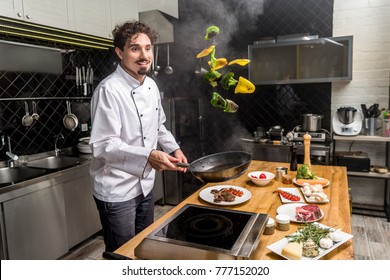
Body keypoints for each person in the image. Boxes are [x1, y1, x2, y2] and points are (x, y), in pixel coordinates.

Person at [89, 21, 187, 252]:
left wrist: (174, 149)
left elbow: (159, 125)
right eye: (135, 48)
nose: (144, 55)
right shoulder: (108, 90)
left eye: (148, 48)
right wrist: (149, 156)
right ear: (120, 52)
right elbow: (104, 145)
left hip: (144, 185)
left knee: (144, 248)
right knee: (123, 254)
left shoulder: (151, 85)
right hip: (117, 190)